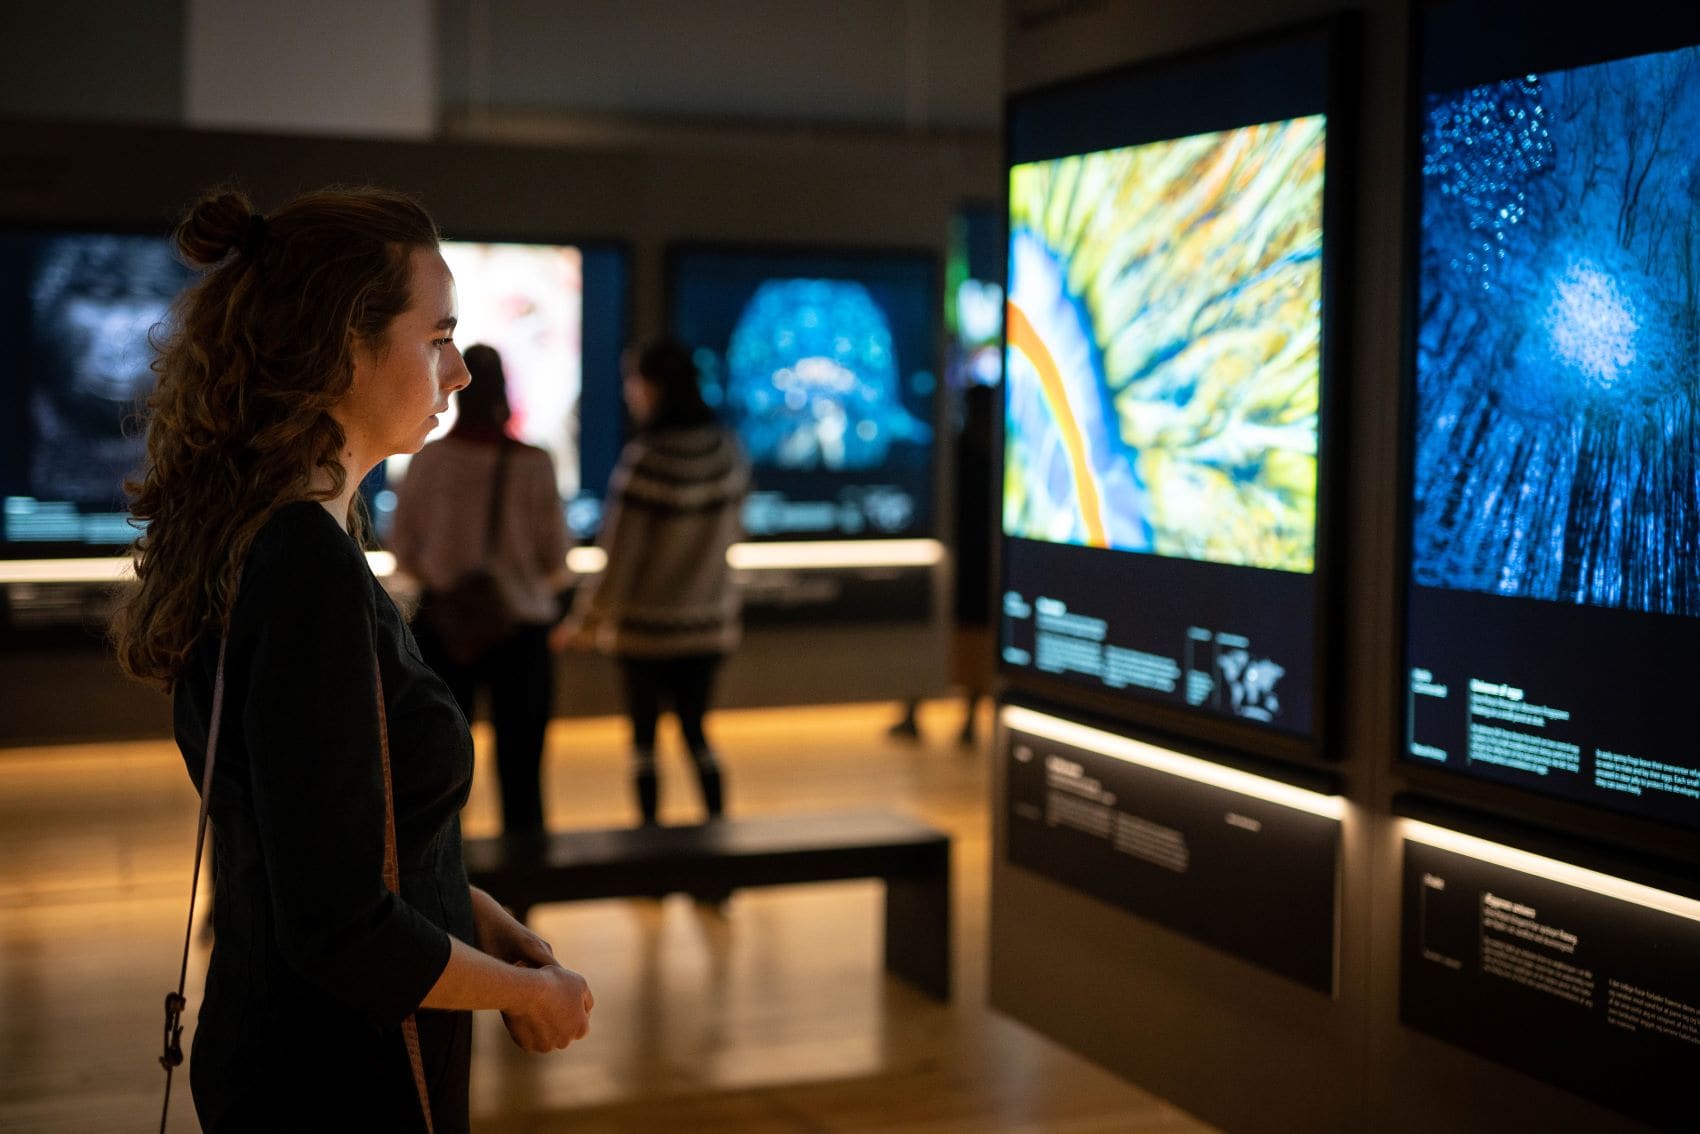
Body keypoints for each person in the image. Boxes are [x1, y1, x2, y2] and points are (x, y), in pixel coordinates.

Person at [110, 187, 592, 1132]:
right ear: (343, 345)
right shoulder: (303, 568)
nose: (455, 371)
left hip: (297, 1053)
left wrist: (482, 920)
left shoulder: (280, 539)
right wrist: (529, 996)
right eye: (437, 336)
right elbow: (339, 927)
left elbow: (338, 846)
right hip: (337, 1078)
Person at [550, 338, 749, 826]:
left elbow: (620, 556)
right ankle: (719, 854)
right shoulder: (728, 450)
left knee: (644, 744)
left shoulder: (647, 458)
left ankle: (651, 858)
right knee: (698, 734)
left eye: (633, 381)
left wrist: (586, 620)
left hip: (646, 631)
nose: (628, 392)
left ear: (655, 386)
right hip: (709, 625)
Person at [390, 343, 568, 841]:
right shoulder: (535, 463)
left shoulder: (427, 462)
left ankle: (449, 892)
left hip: (443, 628)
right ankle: (525, 894)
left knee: (443, 773)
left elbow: (403, 548)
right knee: (523, 769)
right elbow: (555, 558)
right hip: (523, 630)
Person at [889, 382, 996, 746]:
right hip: (979, 566)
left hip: (961, 564)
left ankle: (915, 712)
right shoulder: (988, 454)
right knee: (970, 643)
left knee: (944, 639)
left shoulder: (955, 453)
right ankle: (963, 719)